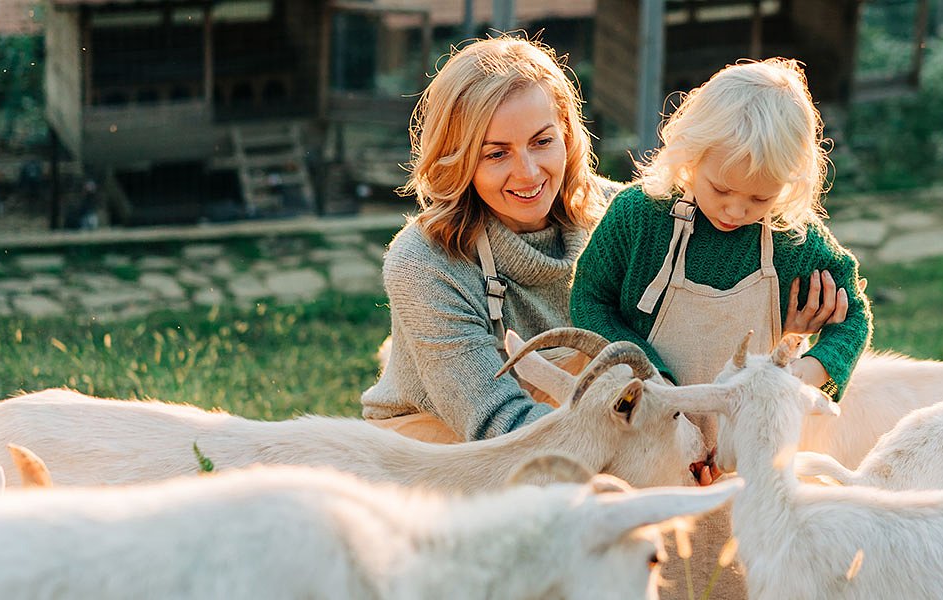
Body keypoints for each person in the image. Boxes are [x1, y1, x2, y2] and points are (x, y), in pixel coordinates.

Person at [361, 37, 618, 443]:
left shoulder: (619, 216)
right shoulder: (423, 264)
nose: (529, 173)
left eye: (542, 141)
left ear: (567, 134)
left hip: (586, 430)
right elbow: (499, 424)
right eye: (496, 154)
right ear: (457, 158)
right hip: (439, 448)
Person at [570, 57, 872, 401]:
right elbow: (589, 300)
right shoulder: (638, 216)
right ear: (691, 155)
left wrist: (814, 370)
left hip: (746, 436)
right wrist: (649, 373)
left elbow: (854, 316)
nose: (736, 210)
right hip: (646, 415)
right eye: (721, 189)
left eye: (760, 197)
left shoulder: (793, 241)